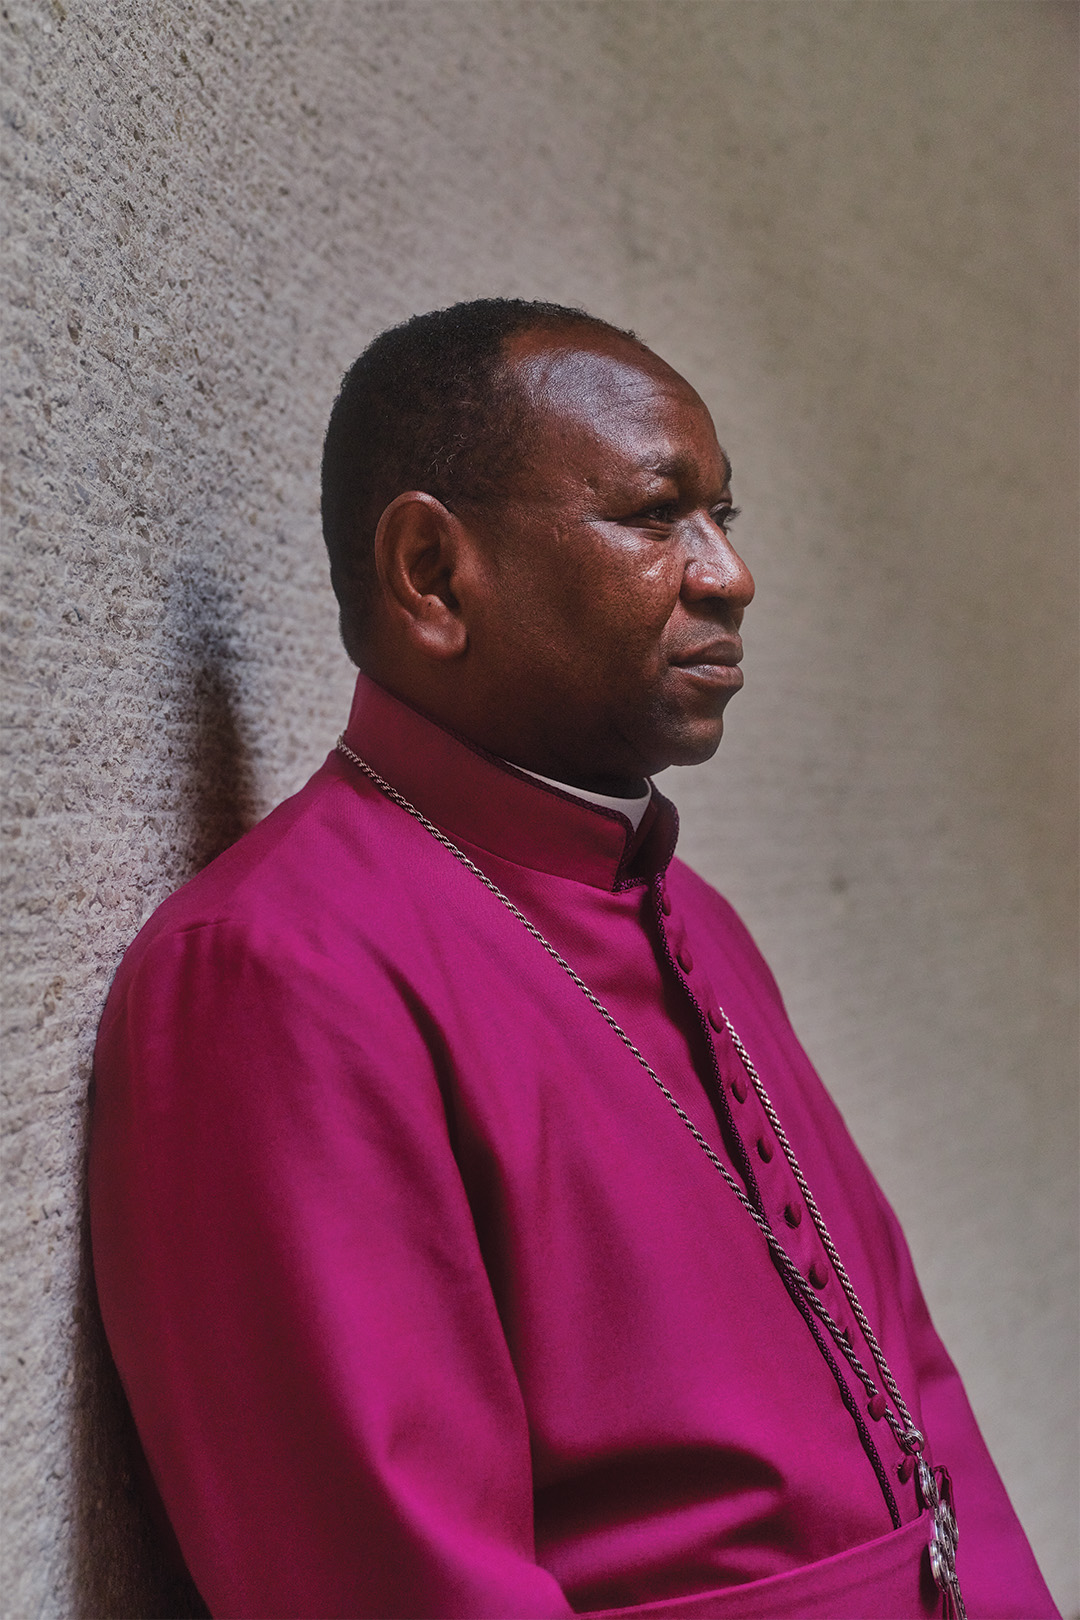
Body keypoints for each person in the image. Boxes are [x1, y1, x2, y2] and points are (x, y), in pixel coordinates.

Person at [89, 299, 1059, 1620]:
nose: (730, 574)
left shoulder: (697, 919)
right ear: (434, 574)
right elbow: (391, 1580)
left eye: (723, 514)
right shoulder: (275, 975)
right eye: (659, 517)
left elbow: (917, 1389)